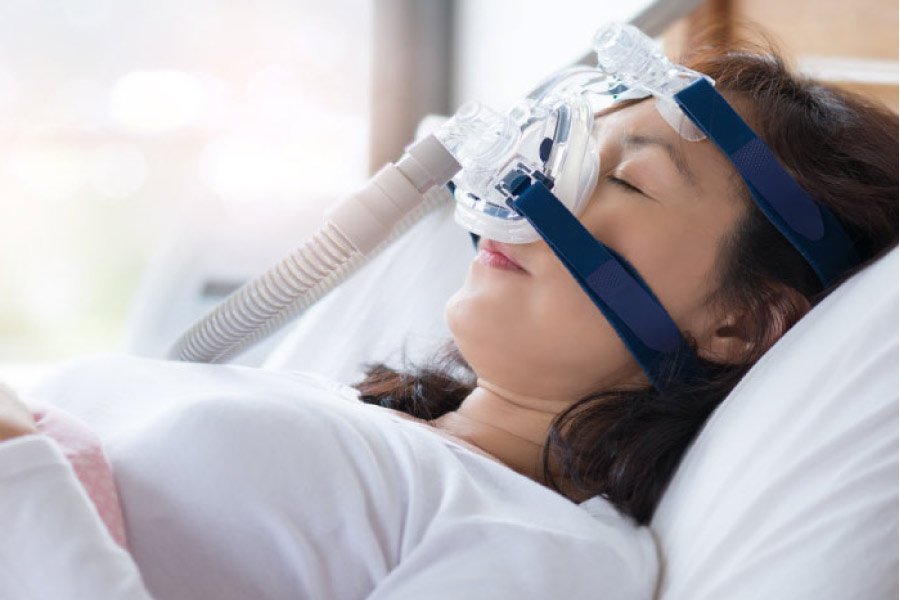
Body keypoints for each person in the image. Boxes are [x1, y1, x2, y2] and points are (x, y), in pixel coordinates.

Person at [0, 37, 897, 600]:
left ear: (741, 325)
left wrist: (21, 473)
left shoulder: (548, 555)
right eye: (569, 153)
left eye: (626, 179)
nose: (539, 190)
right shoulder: (348, 416)